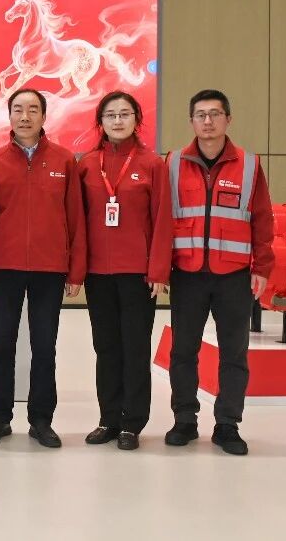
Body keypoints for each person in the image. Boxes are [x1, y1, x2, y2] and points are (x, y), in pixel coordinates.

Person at [164, 89, 274, 456]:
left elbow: (263, 219)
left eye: (215, 114)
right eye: (200, 114)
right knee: (183, 351)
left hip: (234, 276)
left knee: (234, 354)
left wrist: (262, 266)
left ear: (228, 119)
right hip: (187, 273)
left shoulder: (250, 165)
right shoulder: (173, 163)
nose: (208, 121)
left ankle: (228, 424)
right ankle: (184, 419)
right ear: (191, 121)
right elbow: (161, 220)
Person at [0, 87, 85, 449]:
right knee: (2, 345)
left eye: (33, 110)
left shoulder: (64, 161)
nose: (25, 117)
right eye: (18, 110)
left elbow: (75, 218)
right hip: (3, 267)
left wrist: (75, 270)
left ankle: (41, 420)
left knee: (44, 346)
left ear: (44, 116)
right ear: (9, 116)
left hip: (49, 268)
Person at [76, 91, 172, 451]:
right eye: (111, 115)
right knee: (105, 348)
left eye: (125, 114)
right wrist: (77, 270)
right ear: (100, 122)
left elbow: (162, 219)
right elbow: (78, 221)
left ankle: (132, 423)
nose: (118, 121)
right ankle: (108, 419)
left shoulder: (152, 164)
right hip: (98, 273)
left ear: (137, 119)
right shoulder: (88, 164)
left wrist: (158, 270)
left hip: (138, 274)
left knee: (134, 348)